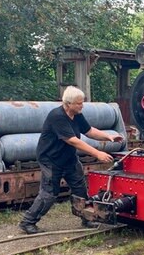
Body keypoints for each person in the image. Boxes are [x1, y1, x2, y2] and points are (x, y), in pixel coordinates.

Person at [18, 86, 124, 234]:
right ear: (68, 104)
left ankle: (87, 218)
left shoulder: (77, 114)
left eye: (82, 102)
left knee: (80, 189)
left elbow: (89, 131)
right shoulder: (57, 117)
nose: (82, 106)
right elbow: (73, 141)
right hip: (51, 159)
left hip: (69, 158)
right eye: (78, 103)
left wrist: (108, 136)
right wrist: (97, 153)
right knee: (49, 193)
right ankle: (28, 222)